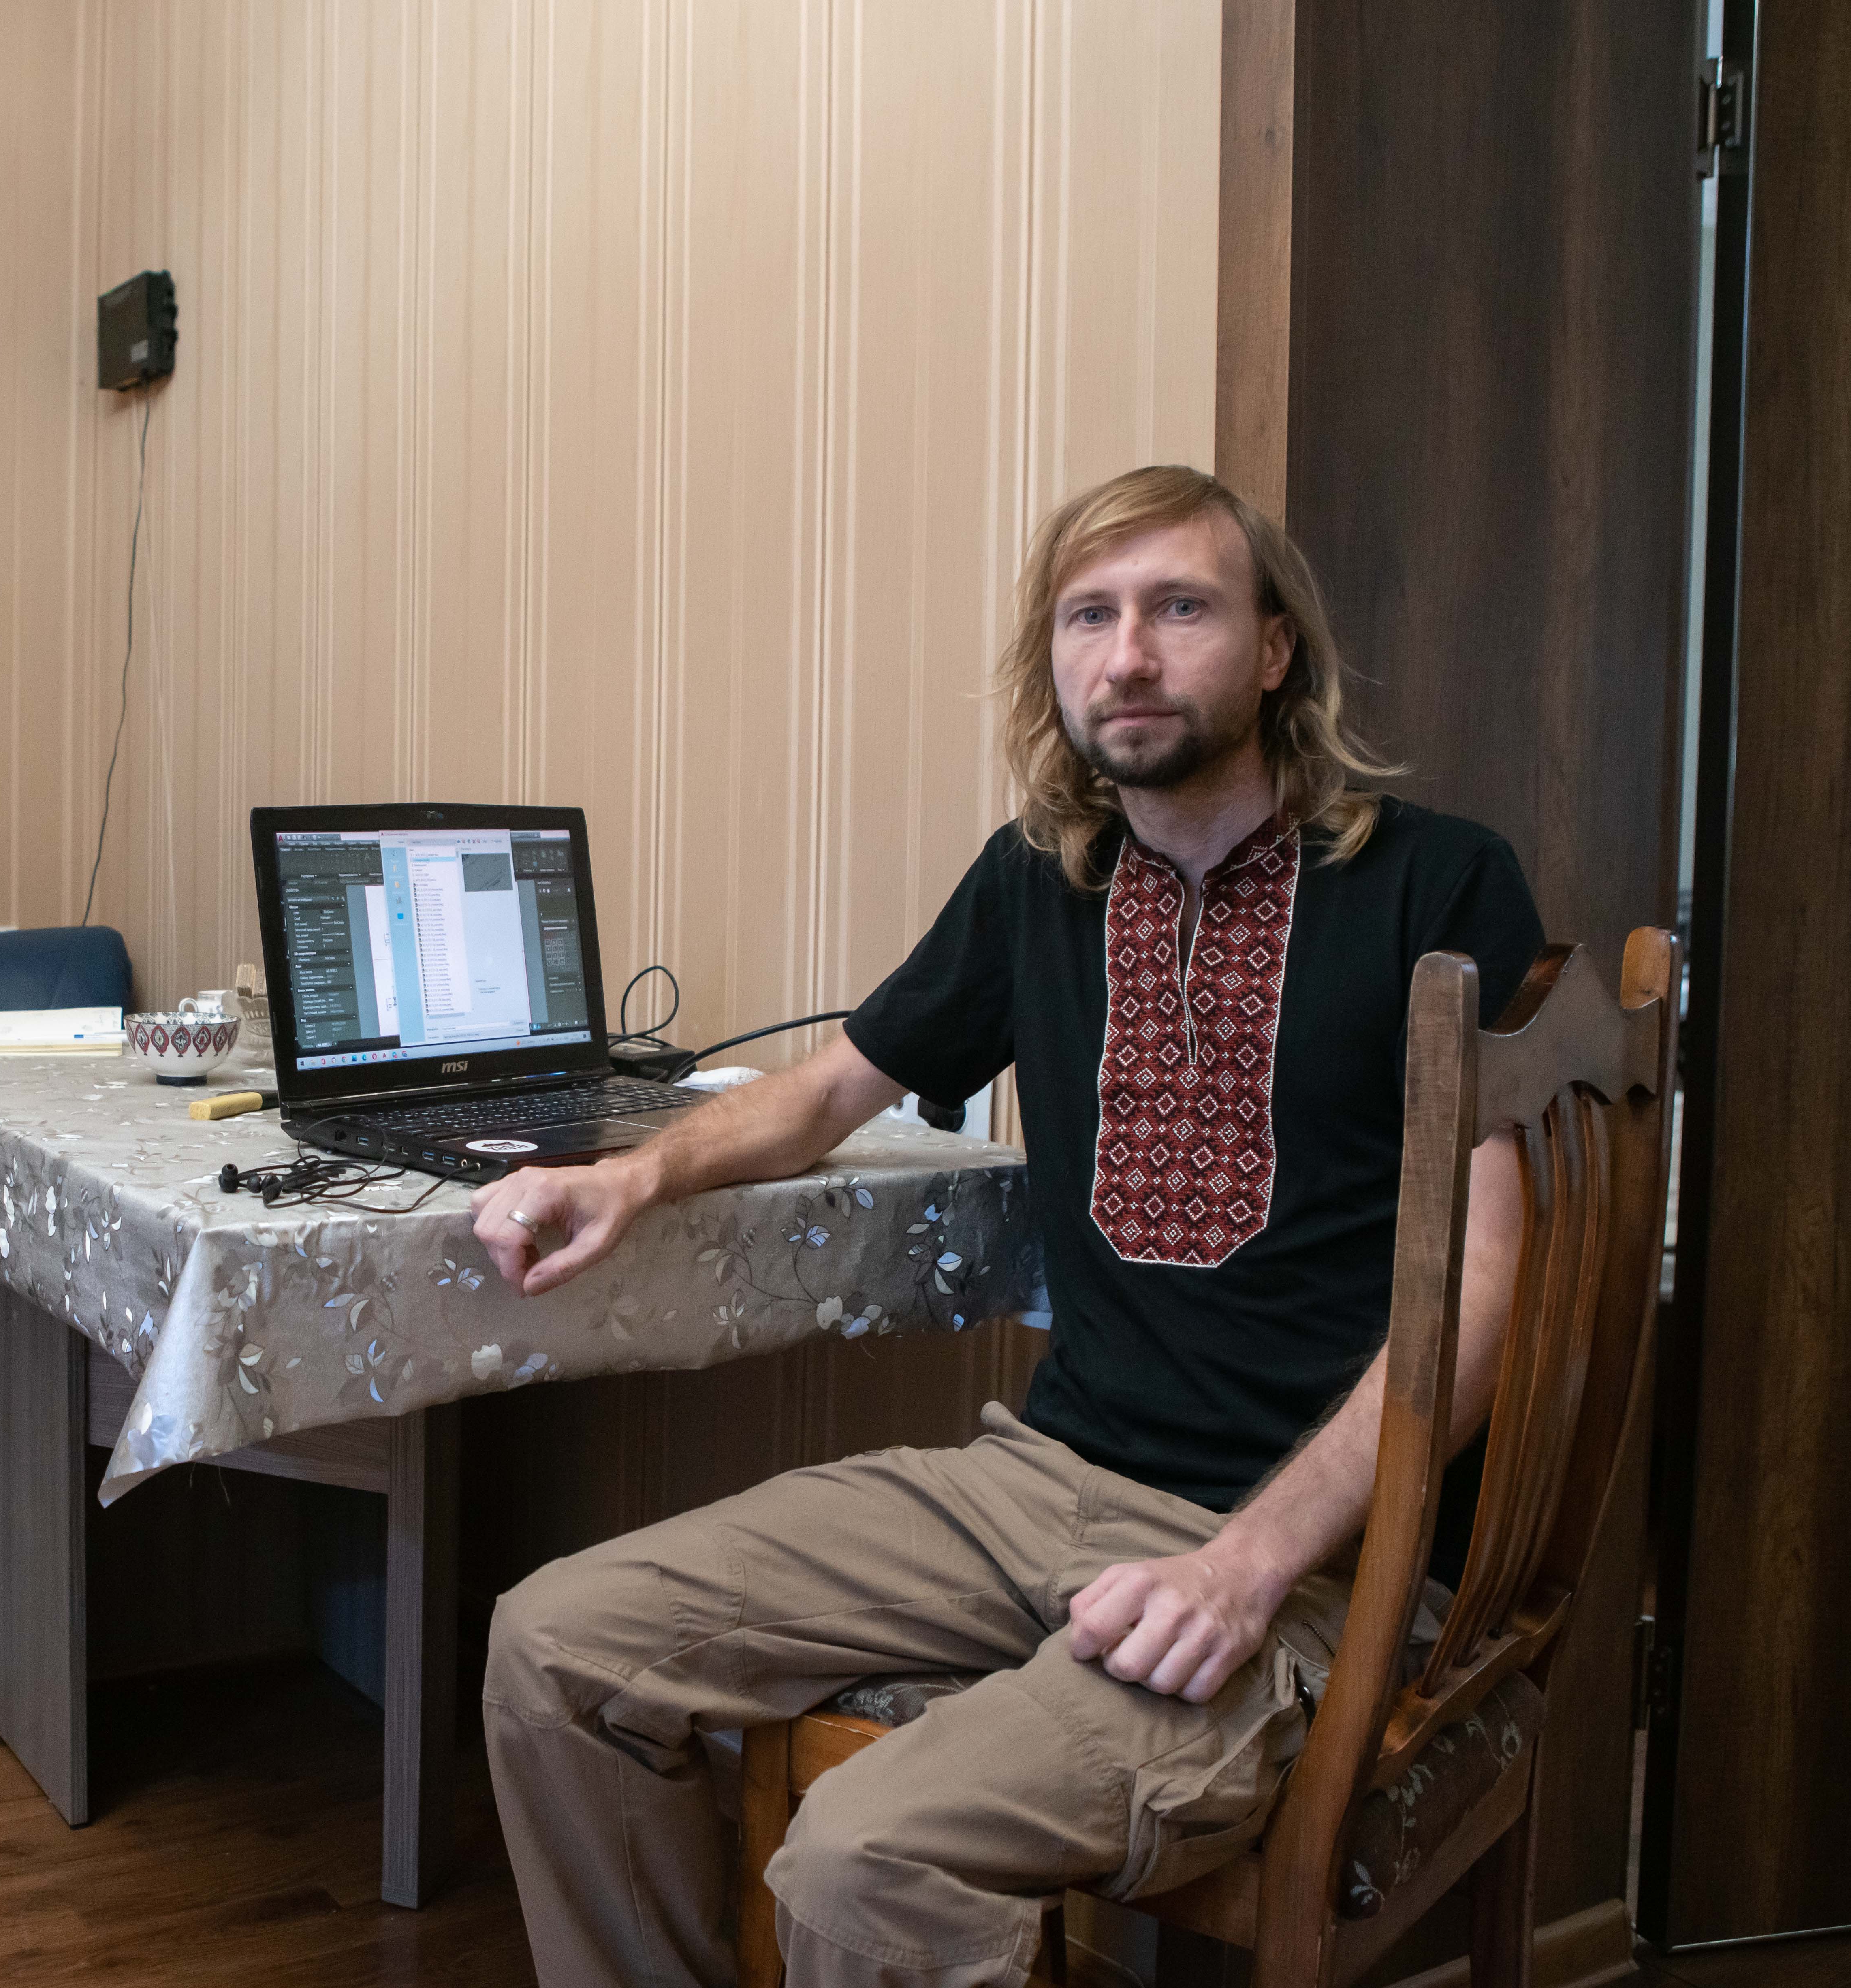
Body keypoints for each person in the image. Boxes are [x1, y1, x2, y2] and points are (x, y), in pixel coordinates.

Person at [470, 465, 1544, 1988]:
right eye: (1089, 616)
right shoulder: (1044, 879)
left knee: (858, 1866)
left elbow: (1491, 1294)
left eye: (1181, 607)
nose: (1130, 656)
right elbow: (835, 1085)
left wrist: (1243, 1565)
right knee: (552, 1647)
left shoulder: (1440, 881)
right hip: (1039, 1477)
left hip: (1319, 1566)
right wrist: (630, 1176)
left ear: (1276, 645)